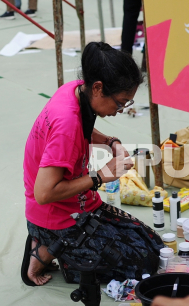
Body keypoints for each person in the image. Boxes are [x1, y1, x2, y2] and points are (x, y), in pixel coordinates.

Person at [21, 42, 162, 287]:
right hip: (56, 217)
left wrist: (110, 141)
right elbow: (43, 194)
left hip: (80, 204)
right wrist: (100, 176)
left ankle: (55, 245)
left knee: (154, 245)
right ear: (98, 88)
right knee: (143, 265)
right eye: (121, 103)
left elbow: (82, 127)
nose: (121, 110)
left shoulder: (76, 90)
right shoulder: (66, 125)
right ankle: (45, 249)